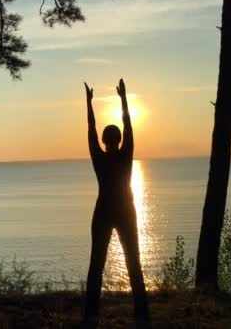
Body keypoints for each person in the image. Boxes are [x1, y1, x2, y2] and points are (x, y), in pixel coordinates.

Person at [83, 78, 151, 327]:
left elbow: (90, 129)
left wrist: (89, 103)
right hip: (125, 211)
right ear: (120, 140)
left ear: (103, 141)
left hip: (103, 212)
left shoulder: (99, 158)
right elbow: (129, 125)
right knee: (134, 262)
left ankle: (91, 316)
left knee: (96, 265)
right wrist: (123, 98)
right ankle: (142, 316)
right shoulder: (126, 155)